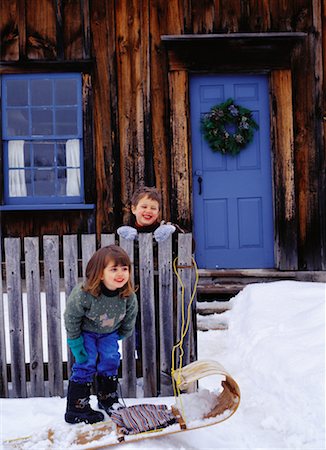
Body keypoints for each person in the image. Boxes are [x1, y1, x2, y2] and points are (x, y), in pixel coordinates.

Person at [64, 245, 138, 424]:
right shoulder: (84, 294)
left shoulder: (127, 295)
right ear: (100, 273)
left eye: (124, 268)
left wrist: (121, 333)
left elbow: (130, 316)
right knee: (86, 363)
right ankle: (77, 407)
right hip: (86, 333)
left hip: (109, 334)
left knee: (111, 360)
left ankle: (108, 398)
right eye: (114, 269)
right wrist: (75, 342)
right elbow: (71, 316)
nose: (120, 273)